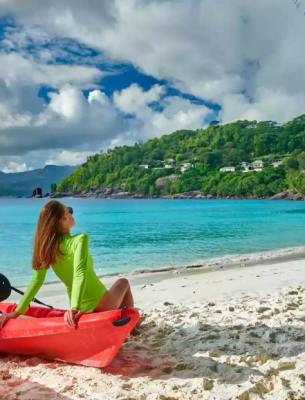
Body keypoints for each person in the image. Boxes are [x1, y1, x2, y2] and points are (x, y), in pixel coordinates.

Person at [0, 200, 139, 330]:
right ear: (64, 219)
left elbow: (36, 281)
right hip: (102, 303)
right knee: (123, 282)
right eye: (69, 210)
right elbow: (80, 273)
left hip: (80, 307)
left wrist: (17, 312)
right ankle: (131, 328)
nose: (72, 213)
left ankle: (122, 326)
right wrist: (73, 308)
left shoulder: (46, 249)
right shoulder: (80, 240)